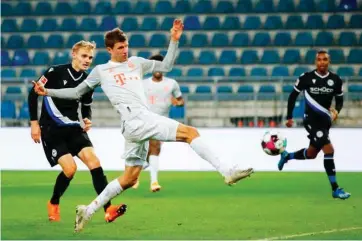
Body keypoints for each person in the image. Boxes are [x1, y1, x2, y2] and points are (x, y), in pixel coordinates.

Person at [32, 19, 254, 233]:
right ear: (110, 50)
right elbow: (77, 92)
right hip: (136, 120)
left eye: (126, 46)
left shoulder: (136, 62)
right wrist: (48, 92)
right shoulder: (101, 71)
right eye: (120, 48)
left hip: (135, 126)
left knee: (129, 179)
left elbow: (166, 65)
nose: (125, 50)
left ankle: (87, 211)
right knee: (190, 132)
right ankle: (227, 171)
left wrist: (174, 40)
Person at [28, 40, 126, 223]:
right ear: (74, 54)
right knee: (70, 169)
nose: (87, 60)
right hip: (52, 129)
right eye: (84, 56)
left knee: (94, 162)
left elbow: (86, 104)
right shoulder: (55, 72)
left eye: (90, 57)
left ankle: (108, 208)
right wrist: (34, 123)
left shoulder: (88, 80)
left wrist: (87, 118)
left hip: (74, 128)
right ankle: (54, 202)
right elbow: (33, 93)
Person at [278, 50, 351, 200]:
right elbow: (293, 96)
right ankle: (335, 189)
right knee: (329, 150)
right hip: (311, 121)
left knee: (311, 154)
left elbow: (340, 100)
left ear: (329, 62)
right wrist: (289, 117)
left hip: (325, 122)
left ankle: (287, 156)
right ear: (315, 62)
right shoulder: (306, 78)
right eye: (319, 60)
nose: (322, 62)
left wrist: (336, 111)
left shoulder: (336, 80)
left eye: (325, 59)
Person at [132, 54, 185, 192]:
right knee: (154, 149)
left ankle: (133, 176)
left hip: (163, 121)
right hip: (145, 120)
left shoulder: (172, 83)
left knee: (152, 152)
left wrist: (177, 103)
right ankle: (154, 182)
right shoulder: (143, 84)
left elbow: (180, 101)